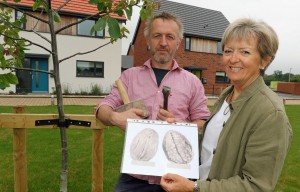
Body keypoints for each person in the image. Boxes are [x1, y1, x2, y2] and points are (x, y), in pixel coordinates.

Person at [160, 18, 292, 192]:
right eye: (228, 51)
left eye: (244, 52)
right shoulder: (227, 94)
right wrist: (181, 129)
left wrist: (194, 188)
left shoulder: (270, 114)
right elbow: (214, 143)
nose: (233, 59)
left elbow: (256, 185)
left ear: (264, 61)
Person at [96, 12, 210, 192]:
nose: (163, 42)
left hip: (179, 177)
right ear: (148, 40)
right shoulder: (129, 77)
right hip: (135, 177)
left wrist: (180, 125)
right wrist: (115, 117)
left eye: (170, 37)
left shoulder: (192, 82)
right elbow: (102, 109)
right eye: (157, 36)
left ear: (178, 42)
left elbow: (203, 124)